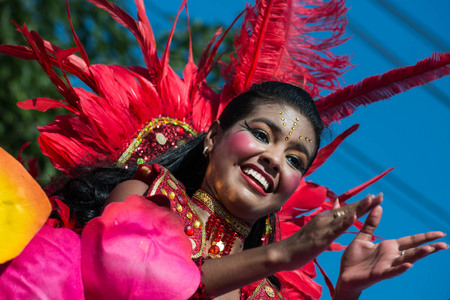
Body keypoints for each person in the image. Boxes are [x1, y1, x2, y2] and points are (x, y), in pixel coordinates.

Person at [50, 81, 446, 299]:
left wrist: (347, 292)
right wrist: (279, 254)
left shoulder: (266, 293)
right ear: (214, 137)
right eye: (261, 134)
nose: (275, 160)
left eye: (294, 160)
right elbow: (132, 280)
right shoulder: (150, 192)